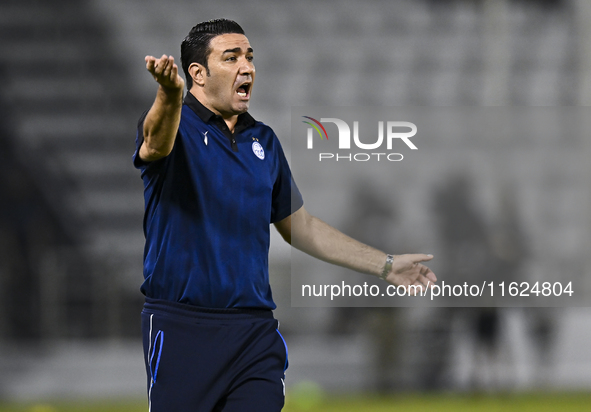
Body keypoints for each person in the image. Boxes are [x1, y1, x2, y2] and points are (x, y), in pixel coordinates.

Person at [133, 19, 436, 412]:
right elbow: (154, 144)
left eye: (249, 57)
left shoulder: (264, 141)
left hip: (253, 332)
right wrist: (170, 96)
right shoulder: (175, 126)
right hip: (183, 328)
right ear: (198, 74)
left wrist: (386, 266)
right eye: (231, 57)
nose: (247, 67)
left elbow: (301, 227)